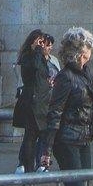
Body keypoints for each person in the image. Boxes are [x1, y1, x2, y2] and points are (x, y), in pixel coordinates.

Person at [39, 25, 93, 186]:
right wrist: (46, 151)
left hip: (83, 137)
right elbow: (55, 113)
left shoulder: (85, 74)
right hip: (66, 140)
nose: (90, 53)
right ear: (79, 52)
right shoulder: (65, 77)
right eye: (87, 48)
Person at [17, 27, 59, 173]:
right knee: (31, 135)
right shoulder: (28, 56)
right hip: (32, 101)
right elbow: (34, 68)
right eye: (39, 41)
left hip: (43, 101)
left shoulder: (40, 57)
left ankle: (39, 164)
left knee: (41, 134)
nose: (42, 45)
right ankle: (27, 166)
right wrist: (36, 50)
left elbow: (43, 74)